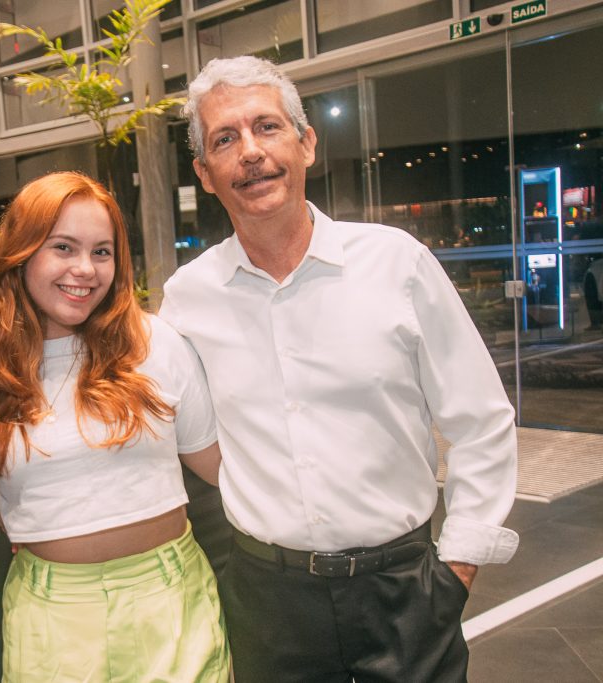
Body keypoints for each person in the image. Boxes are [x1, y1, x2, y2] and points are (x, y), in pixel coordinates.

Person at [160, 55, 519, 681]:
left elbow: (480, 419)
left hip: (406, 594)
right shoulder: (189, 298)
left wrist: (458, 567)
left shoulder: (395, 262)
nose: (250, 152)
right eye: (225, 139)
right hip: (267, 605)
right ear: (205, 173)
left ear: (306, 143)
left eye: (267, 127)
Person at [0, 171, 231, 682]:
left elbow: (219, 468)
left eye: (102, 252)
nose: (84, 269)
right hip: (50, 615)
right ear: (22, 252)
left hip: (171, 600)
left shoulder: (155, 343)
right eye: (63, 247)